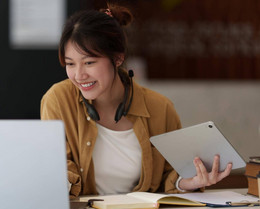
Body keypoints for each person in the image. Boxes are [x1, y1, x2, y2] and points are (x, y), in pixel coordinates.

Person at [40, 3, 232, 198]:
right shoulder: (57, 100)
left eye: (89, 62)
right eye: (70, 64)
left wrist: (189, 181)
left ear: (117, 58)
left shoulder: (160, 108)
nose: (79, 75)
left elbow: (169, 174)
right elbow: (59, 167)